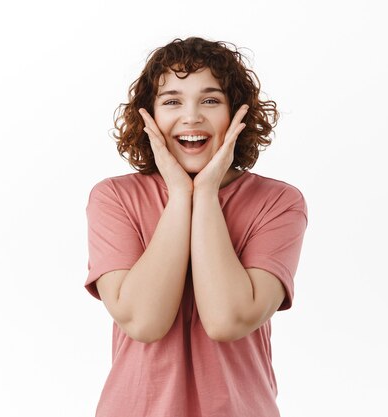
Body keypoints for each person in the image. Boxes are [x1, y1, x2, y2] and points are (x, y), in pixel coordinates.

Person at [85, 36, 308, 417]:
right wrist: (178, 195)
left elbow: (227, 320)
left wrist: (204, 194)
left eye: (210, 100)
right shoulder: (114, 198)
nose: (191, 116)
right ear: (149, 117)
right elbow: (144, 321)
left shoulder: (278, 203)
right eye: (172, 101)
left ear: (237, 113)